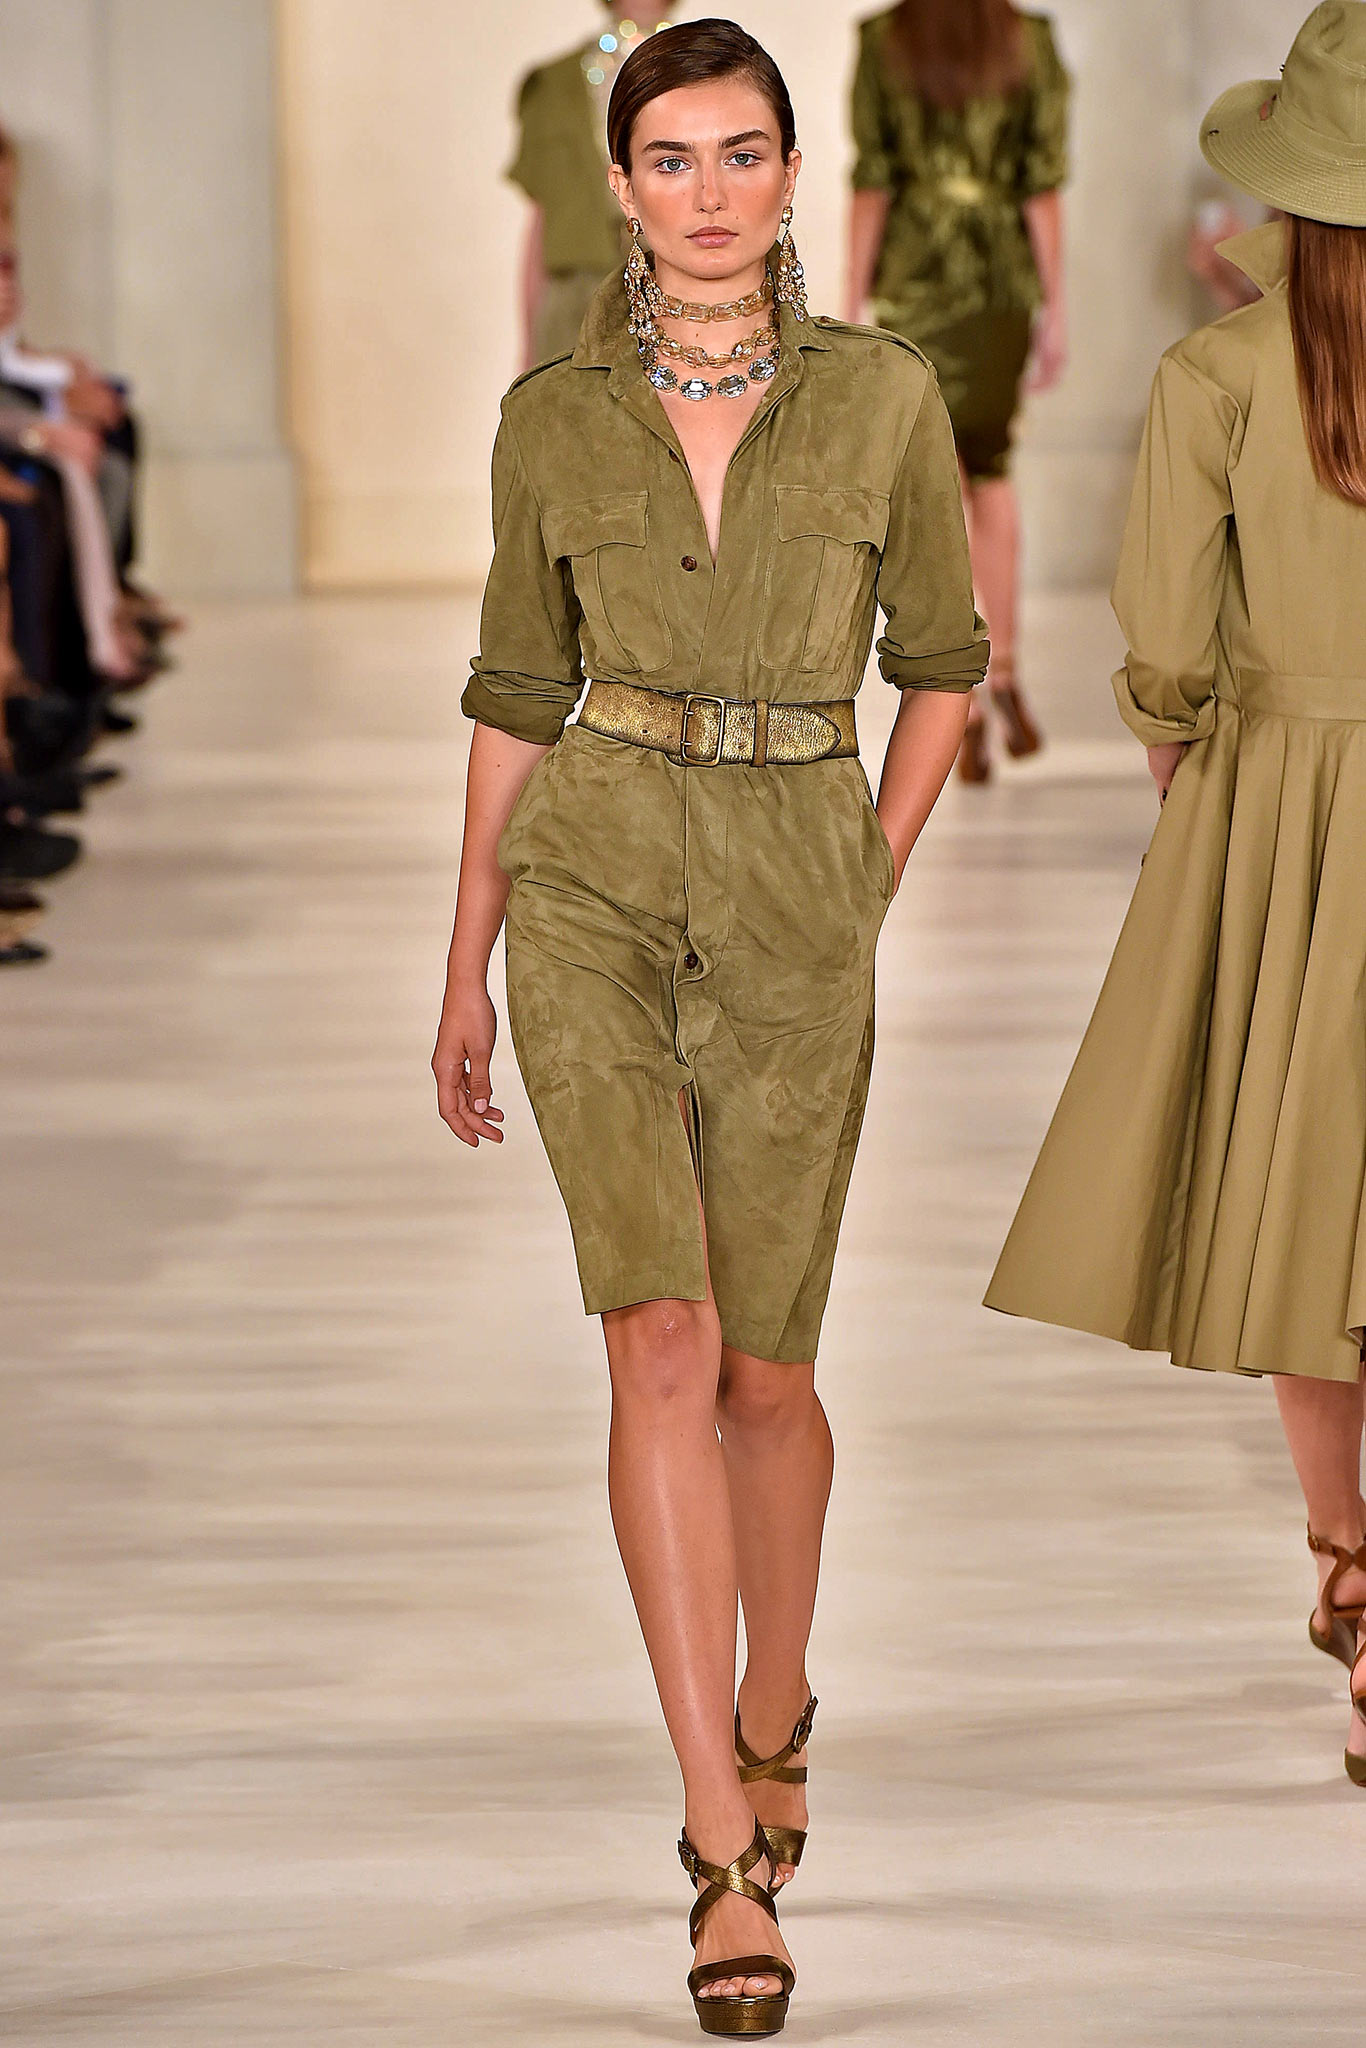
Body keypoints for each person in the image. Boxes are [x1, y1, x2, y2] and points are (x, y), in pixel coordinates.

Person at [434, 18, 986, 2033]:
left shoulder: (885, 399)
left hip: (791, 892)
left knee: (765, 1371)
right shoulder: (549, 420)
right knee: (653, 1334)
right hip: (587, 880)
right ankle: (716, 1838)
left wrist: (866, 877)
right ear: (618, 186)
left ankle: (776, 1700)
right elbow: (516, 691)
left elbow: (942, 666)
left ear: (788, 168)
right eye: (668, 159)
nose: (708, 193)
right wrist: (464, 954)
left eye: (741, 152)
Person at [985, 1, 1366, 1790]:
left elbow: (1164, 642)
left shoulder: (1215, 375)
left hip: (1279, 806)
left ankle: (1347, 1565)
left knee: (1298, 1208)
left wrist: (1192, 771)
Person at [845, 0, 1069, 783]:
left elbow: (873, 180)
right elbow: (1041, 183)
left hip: (915, 280)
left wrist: (851, 301)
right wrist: (1055, 307)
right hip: (998, 282)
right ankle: (1004, 673)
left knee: (935, 487)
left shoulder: (884, 38)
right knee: (992, 472)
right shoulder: (1025, 38)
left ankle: (962, 697)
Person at [509, 2, 680, 368]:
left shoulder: (711, 77)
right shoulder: (555, 85)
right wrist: (530, 350)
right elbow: (542, 222)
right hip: (574, 309)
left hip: (678, 299)